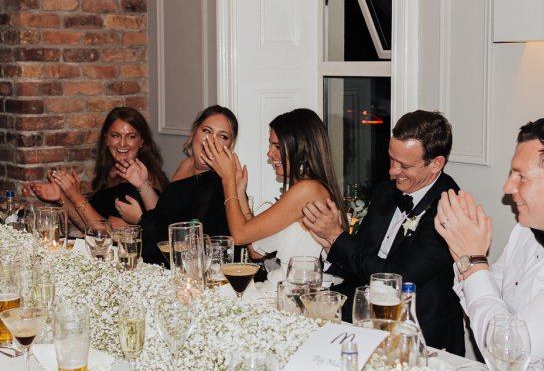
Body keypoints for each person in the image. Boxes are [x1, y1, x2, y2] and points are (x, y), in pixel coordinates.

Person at [435, 118, 544, 371]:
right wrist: (464, 257)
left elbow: (508, 352)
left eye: (521, 176)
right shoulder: (528, 228)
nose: (507, 188)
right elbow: (491, 292)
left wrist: (474, 261)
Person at [302, 110, 465, 355]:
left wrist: (338, 238)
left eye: (404, 165)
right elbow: (364, 258)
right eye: (391, 159)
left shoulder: (450, 209)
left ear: (436, 164)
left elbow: (397, 277)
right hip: (367, 320)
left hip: (421, 334)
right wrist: (330, 244)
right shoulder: (385, 192)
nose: (392, 171)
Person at [202, 108, 348, 286]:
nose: (270, 154)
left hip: (298, 293)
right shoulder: (305, 189)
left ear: (301, 147)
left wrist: (228, 180)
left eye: (277, 146)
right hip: (285, 287)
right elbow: (255, 249)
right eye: (270, 145)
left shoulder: (308, 190)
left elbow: (239, 236)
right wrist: (240, 193)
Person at [116, 105, 238, 266]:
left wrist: (140, 218)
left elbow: (190, 242)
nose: (212, 140)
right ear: (195, 131)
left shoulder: (217, 182)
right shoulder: (186, 164)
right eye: (207, 131)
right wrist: (143, 184)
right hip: (168, 264)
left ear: (229, 146)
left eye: (222, 136)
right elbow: (166, 214)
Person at [30, 107, 169, 231]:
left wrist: (76, 196)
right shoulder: (112, 171)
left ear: (142, 142)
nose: (122, 143)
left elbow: (107, 233)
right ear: (106, 139)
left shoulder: (140, 181)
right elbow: (88, 224)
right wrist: (62, 198)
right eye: (115, 136)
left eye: (131, 137)